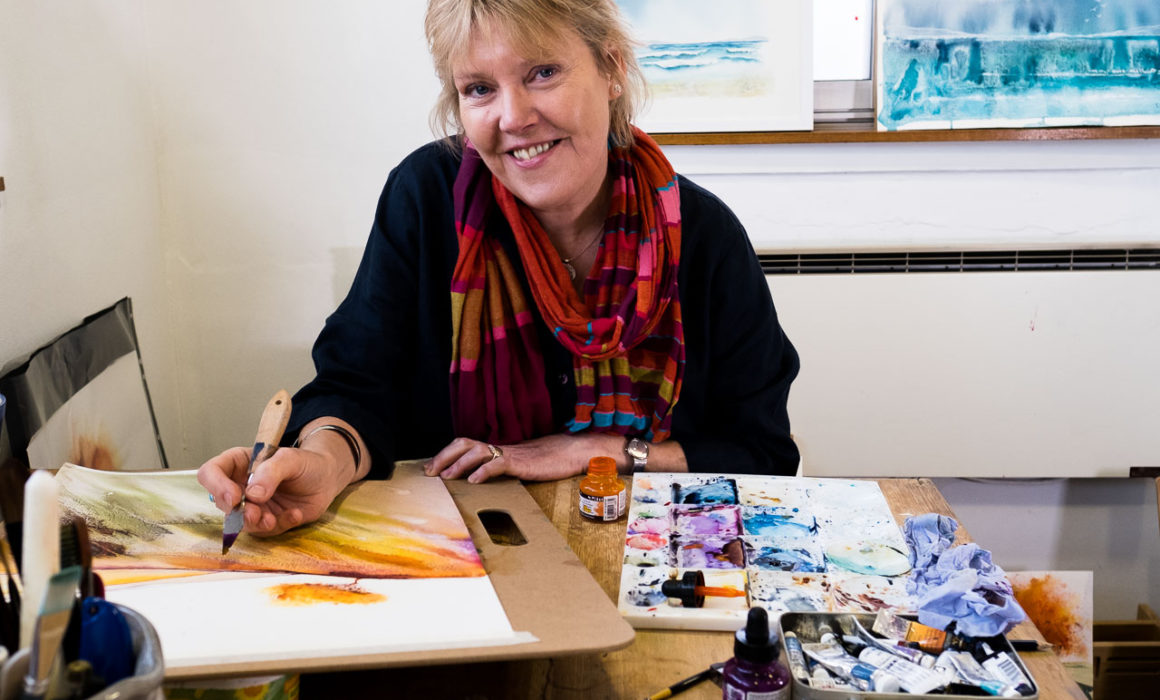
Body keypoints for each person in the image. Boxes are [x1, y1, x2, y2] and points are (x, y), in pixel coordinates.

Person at [199, 0, 800, 538]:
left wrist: (596, 449)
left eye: (543, 73)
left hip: (650, 552)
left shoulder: (702, 234)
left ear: (612, 69)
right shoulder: (427, 199)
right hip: (459, 551)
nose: (513, 117)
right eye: (480, 89)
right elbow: (357, 384)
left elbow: (761, 450)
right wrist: (322, 464)